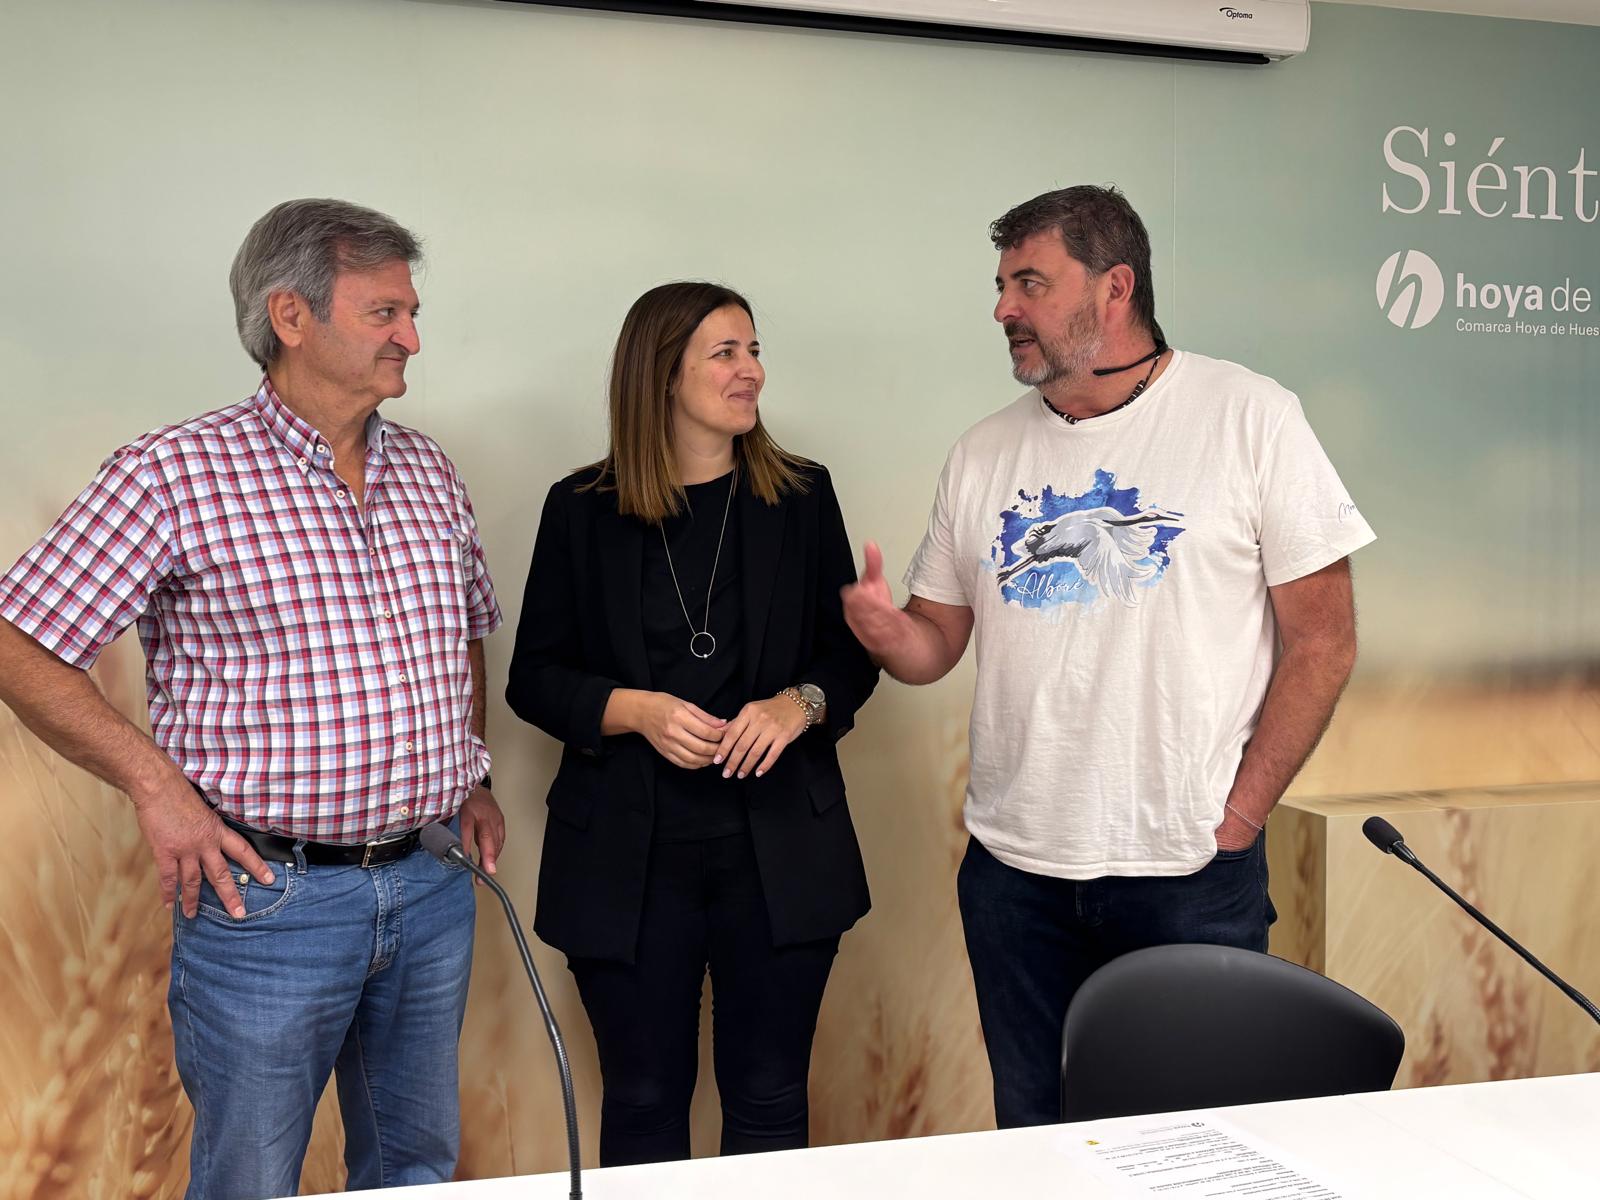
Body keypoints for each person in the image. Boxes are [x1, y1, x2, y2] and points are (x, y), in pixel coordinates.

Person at [841, 185, 1376, 1128]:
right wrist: (894, 639)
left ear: (1114, 286)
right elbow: (936, 644)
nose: (1004, 308)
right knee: (1035, 1136)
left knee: (1197, 1143)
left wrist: (1242, 815)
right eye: (1003, 286)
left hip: (1187, 870)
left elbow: (1325, 639)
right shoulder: (982, 456)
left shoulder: (1249, 416)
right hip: (1015, 873)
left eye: (1031, 283)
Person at [0, 199, 504, 1197]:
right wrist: (157, 787)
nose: (412, 336)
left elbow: (467, 634)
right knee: (251, 1181)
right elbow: (20, 645)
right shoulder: (173, 473)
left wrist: (474, 774)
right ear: (291, 316)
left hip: (432, 888)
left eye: (411, 312)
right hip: (269, 900)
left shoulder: (429, 470)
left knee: (415, 1170)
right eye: (384, 313)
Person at [506, 281, 877, 1166]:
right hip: (624, 863)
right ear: (661, 372)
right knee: (639, 1103)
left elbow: (849, 657)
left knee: (772, 1097)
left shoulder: (803, 495)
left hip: (782, 854)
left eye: (754, 352)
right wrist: (632, 711)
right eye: (726, 353)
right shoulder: (580, 508)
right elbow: (534, 678)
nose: (751, 371)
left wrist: (800, 705)